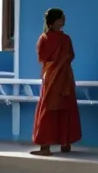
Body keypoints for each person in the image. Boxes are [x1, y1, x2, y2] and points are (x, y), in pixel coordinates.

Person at [31, 8, 82, 156]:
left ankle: (50, 145)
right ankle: (61, 144)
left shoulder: (47, 38)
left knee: (52, 108)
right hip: (60, 78)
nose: (64, 19)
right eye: (62, 17)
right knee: (59, 108)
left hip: (55, 77)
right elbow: (69, 56)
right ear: (56, 21)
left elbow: (43, 58)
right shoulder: (59, 39)